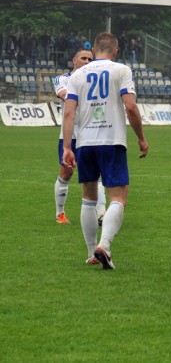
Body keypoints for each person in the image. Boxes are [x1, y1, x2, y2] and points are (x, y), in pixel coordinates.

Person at [62, 32, 148, 270]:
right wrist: (141, 138)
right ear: (116, 51)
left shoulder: (77, 75)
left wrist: (68, 147)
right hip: (112, 140)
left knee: (88, 198)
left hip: (85, 143)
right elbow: (130, 106)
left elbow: (69, 112)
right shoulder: (121, 70)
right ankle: (105, 245)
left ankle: (91, 253)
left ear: (96, 48)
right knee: (118, 198)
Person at [53, 48, 106, 228]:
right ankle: (60, 213)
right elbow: (65, 96)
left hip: (92, 133)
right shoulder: (63, 79)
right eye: (83, 58)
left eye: (90, 59)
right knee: (66, 173)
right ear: (74, 60)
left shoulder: (96, 82)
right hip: (70, 135)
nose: (86, 61)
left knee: (97, 175)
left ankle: (101, 214)